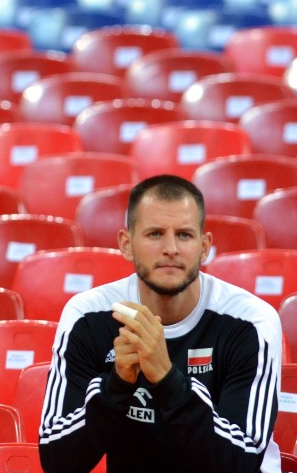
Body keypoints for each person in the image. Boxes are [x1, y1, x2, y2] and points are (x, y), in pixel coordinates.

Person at [39, 174, 282, 473]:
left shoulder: (249, 321)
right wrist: (116, 385)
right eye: (155, 234)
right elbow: (57, 461)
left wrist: (167, 379)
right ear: (126, 244)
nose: (171, 248)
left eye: (184, 235)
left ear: (205, 246)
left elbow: (241, 461)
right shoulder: (88, 316)